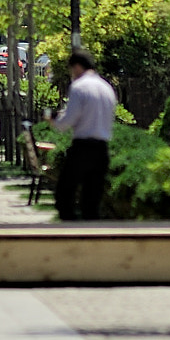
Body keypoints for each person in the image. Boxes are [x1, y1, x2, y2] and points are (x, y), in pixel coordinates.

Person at [51, 49, 117, 220]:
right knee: (92, 200)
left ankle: (70, 232)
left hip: (82, 147)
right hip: (102, 148)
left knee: (64, 194)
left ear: (77, 67)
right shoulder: (106, 87)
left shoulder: (79, 87)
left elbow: (68, 120)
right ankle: (92, 238)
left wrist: (55, 122)